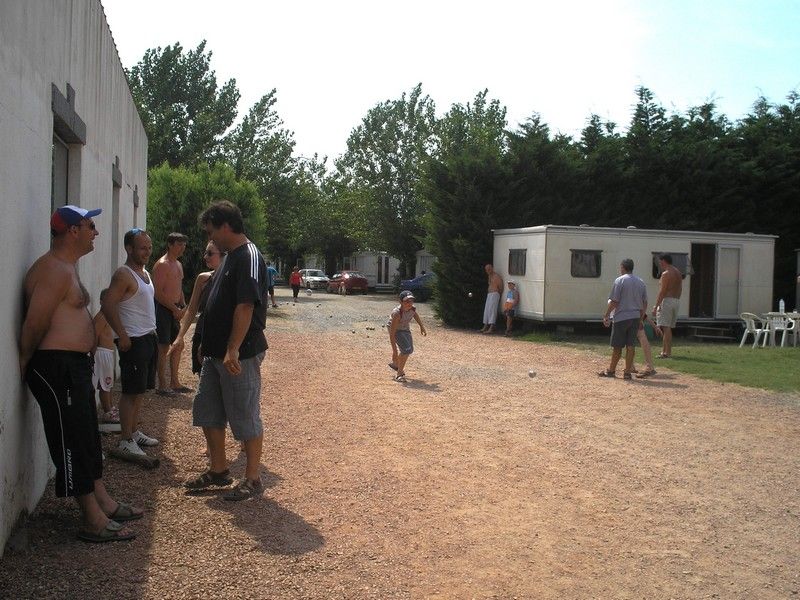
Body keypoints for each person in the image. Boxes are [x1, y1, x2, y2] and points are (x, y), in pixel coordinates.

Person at [19, 205, 141, 542]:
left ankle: (103, 501)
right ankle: (91, 519)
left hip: (73, 367)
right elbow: (34, 323)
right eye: (90, 225)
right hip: (56, 367)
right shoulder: (53, 270)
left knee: (87, 436)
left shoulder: (67, 268)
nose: (95, 232)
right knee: (71, 440)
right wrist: (23, 362)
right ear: (72, 230)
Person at [185, 201, 268, 501]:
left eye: (211, 231)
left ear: (224, 225)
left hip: (239, 354)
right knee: (207, 410)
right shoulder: (231, 257)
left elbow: (246, 305)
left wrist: (232, 348)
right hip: (215, 354)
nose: (210, 239)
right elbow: (215, 304)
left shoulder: (249, 256)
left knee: (245, 414)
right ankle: (219, 470)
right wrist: (205, 345)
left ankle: (253, 479)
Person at [102, 228, 160, 459]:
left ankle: (134, 432)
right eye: (142, 248)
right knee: (129, 392)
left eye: (149, 247)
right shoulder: (123, 275)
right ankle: (125, 439)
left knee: (140, 391)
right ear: (129, 248)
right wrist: (122, 335)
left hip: (148, 337)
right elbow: (108, 305)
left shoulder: (144, 273)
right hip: (133, 341)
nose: (147, 252)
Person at [168, 240, 225, 376]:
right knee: (205, 378)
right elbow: (192, 309)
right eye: (205, 253)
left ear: (224, 255)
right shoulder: (203, 279)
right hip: (202, 332)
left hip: (221, 336)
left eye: (210, 253)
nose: (205, 257)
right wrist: (179, 337)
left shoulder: (232, 280)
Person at [152, 232, 189, 395]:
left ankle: (175, 382)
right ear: (170, 244)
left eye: (184, 244)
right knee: (163, 347)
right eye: (179, 244)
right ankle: (162, 385)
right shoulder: (162, 264)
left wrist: (183, 306)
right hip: (163, 309)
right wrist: (174, 309)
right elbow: (157, 293)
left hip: (175, 308)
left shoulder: (178, 264)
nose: (183, 247)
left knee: (178, 345)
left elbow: (179, 288)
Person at [599, 258, 647, 380]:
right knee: (631, 345)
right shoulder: (641, 282)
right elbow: (644, 302)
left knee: (617, 346)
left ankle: (611, 370)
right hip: (635, 317)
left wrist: (607, 315)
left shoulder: (619, 281)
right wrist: (641, 318)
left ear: (623, 267)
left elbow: (615, 301)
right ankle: (627, 372)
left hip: (621, 317)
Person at [93, 288, 119, 431]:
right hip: (101, 354)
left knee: (108, 383)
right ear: (102, 302)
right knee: (104, 384)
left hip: (107, 353)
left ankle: (110, 408)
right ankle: (107, 412)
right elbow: (94, 334)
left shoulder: (109, 316)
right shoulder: (102, 316)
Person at [388, 290, 427, 382]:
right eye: (406, 301)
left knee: (409, 350)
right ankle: (399, 374)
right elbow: (392, 334)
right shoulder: (397, 313)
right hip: (396, 330)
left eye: (411, 301)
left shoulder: (412, 308)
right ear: (400, 302)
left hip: (405, 328)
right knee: (406, 350)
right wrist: (394, 352)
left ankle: (396, 364)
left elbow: (415, 315)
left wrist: (421, 326)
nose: (409, 303)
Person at [652, 254, 682, 358]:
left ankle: (666, 353)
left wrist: (656, 306)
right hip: (676, 300)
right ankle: (665, 351)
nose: (659, 263)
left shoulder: (666, 274)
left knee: (665, 327)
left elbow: (662, 292)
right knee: (668, 327)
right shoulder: (677, 272)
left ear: (663, 261)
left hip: (667, 301)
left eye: (660, 261)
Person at [635, 312, 663, 379]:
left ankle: (649, 367)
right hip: (635, 317)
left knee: (636, 339)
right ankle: (648, 366)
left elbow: (644, 314)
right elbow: (644, 315)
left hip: (631, 318)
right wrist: (655, 327)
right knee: (640, 337)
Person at [480, 264, 503, 333]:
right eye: (487, 270)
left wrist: (498, 294)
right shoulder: (489, 276)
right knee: (487, 310)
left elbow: (501, 286)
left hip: (495, 294)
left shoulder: (496, 276)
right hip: (489, 294)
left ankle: (491, 328)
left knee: (492, 310)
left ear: (492, 268)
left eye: (489, 269)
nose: (488, 271)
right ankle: (485, 326)